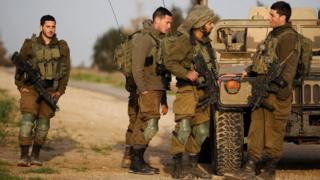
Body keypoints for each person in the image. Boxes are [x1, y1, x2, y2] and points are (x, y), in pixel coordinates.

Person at [225, 1, 300, 179]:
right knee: (256, 129)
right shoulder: (274, 35)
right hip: (262, 90)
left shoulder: (288, 37)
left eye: (272, 15)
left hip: (276, 94)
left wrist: (277, 90)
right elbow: (264, 59)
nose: (269, 18)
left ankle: (269, 170)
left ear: (283, 17)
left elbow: (289, 70)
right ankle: (250, 167)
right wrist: (248, 70)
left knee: (274, 131)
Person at [164, 5, 217, 179]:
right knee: (184, 128)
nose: (212, 25)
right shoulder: (185, 41)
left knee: (202, 131)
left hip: (204, 93)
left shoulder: (207, 43)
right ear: (199, 23)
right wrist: (186, 73)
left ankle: (193, 166)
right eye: (209, 22)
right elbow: (170, 62)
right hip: (187, 90)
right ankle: (178, 167)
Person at [15, 15, 71, 167]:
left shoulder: (62, 47)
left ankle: (35, 155)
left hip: (50, 90)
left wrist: (60, 91)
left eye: (53, 26)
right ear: (41, 27)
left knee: (43, 125)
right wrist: (21, 86)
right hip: (31, 88)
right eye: (48, 26)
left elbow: (66, 71)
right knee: (27, 121)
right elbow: (19, 67)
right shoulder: (29, 45)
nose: (51, 29)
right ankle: (24, 155)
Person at [128, 7, 172, 175]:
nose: (169, 26)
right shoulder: (146, 39)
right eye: (167, 22)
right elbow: (136, 66)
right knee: (150, 125)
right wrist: (143, 89)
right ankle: (137, 163)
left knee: (142, 124)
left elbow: (162, 72)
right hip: (148, 89)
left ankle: (135, 161)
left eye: (170, 23)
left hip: (157, 89)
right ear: (157, 20)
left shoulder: (159, 41)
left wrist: (164, 100)